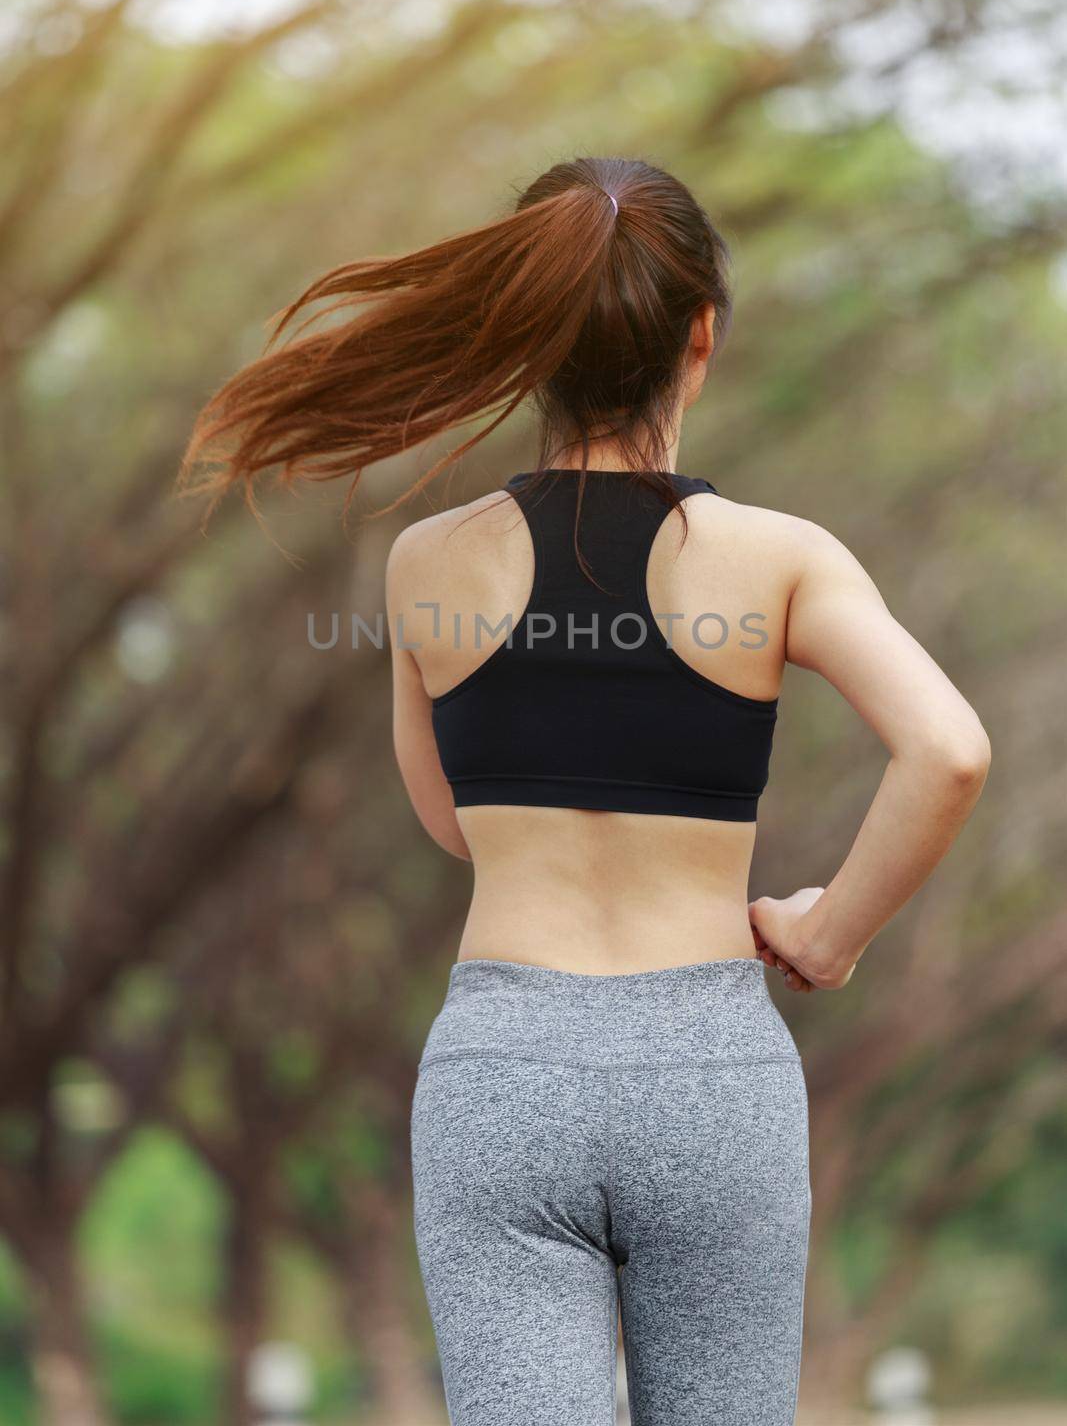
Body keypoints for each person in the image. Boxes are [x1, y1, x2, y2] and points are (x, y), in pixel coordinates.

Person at [182, 156, 991, 1426]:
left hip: (501, 1072)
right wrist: (826, 936)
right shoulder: (779, 560)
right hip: (714, 1072)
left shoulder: (425, 562)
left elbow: (451, 822)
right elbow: (946, 750)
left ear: (529, 340)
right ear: (701, 340)